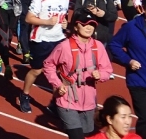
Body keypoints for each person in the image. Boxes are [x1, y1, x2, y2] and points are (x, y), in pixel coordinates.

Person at [43, 9, 113, 139]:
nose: (89, 28)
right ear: (76, 26)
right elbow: (48, 64)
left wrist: (101, 75)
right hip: (67, 100)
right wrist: (57, 84)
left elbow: (107, 70)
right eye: (84, 24)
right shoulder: (64, 47)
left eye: (92, 25)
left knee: (86, 135)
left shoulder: (98, 46)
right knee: (77, 137)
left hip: (89, 101)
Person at [19, 0, 71, 114]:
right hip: (41, 39)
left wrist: (65, 22)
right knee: (37, 70)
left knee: (63, 72)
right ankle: (25, 95)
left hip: (59, 39)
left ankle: (55, 102)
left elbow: (63, 15)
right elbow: (29, 18)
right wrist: (47, 22)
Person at [110, 0, 146, 139]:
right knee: (145, 117)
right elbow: (114, 45)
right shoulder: (131, 27)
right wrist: (128, 60)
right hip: (138, 81)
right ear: (143, 8)